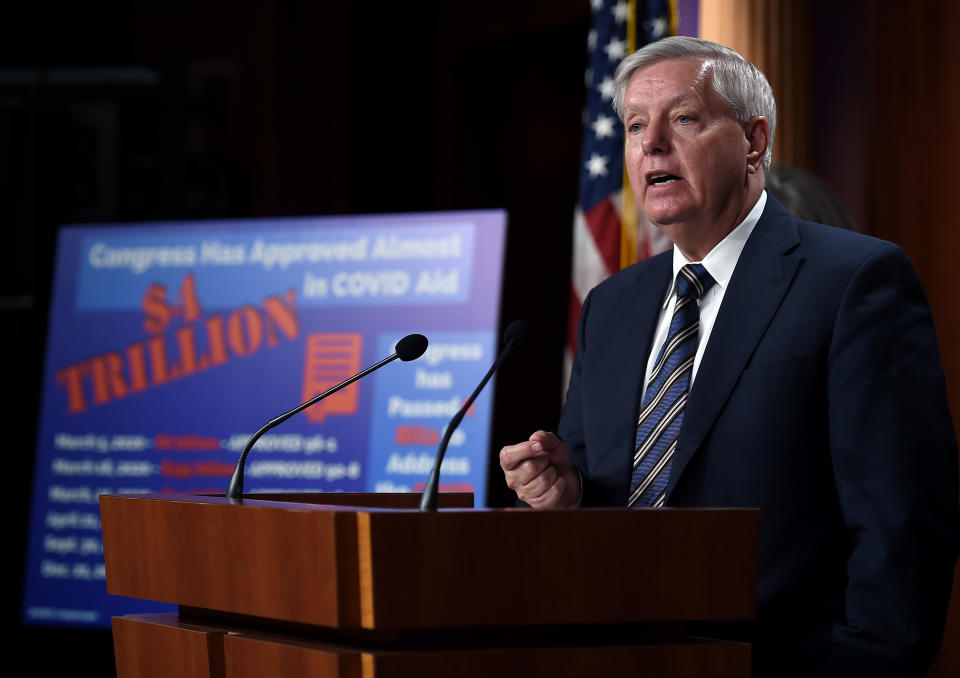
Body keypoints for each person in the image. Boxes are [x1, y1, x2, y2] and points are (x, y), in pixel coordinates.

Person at [500, 36, 959, 676]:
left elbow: (903, 529)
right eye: (635, 125)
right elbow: (596, 494)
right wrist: (564, 492)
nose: (651, 144)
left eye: (683, 119)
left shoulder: (853, 280)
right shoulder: (612, 305)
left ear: (754, 140)